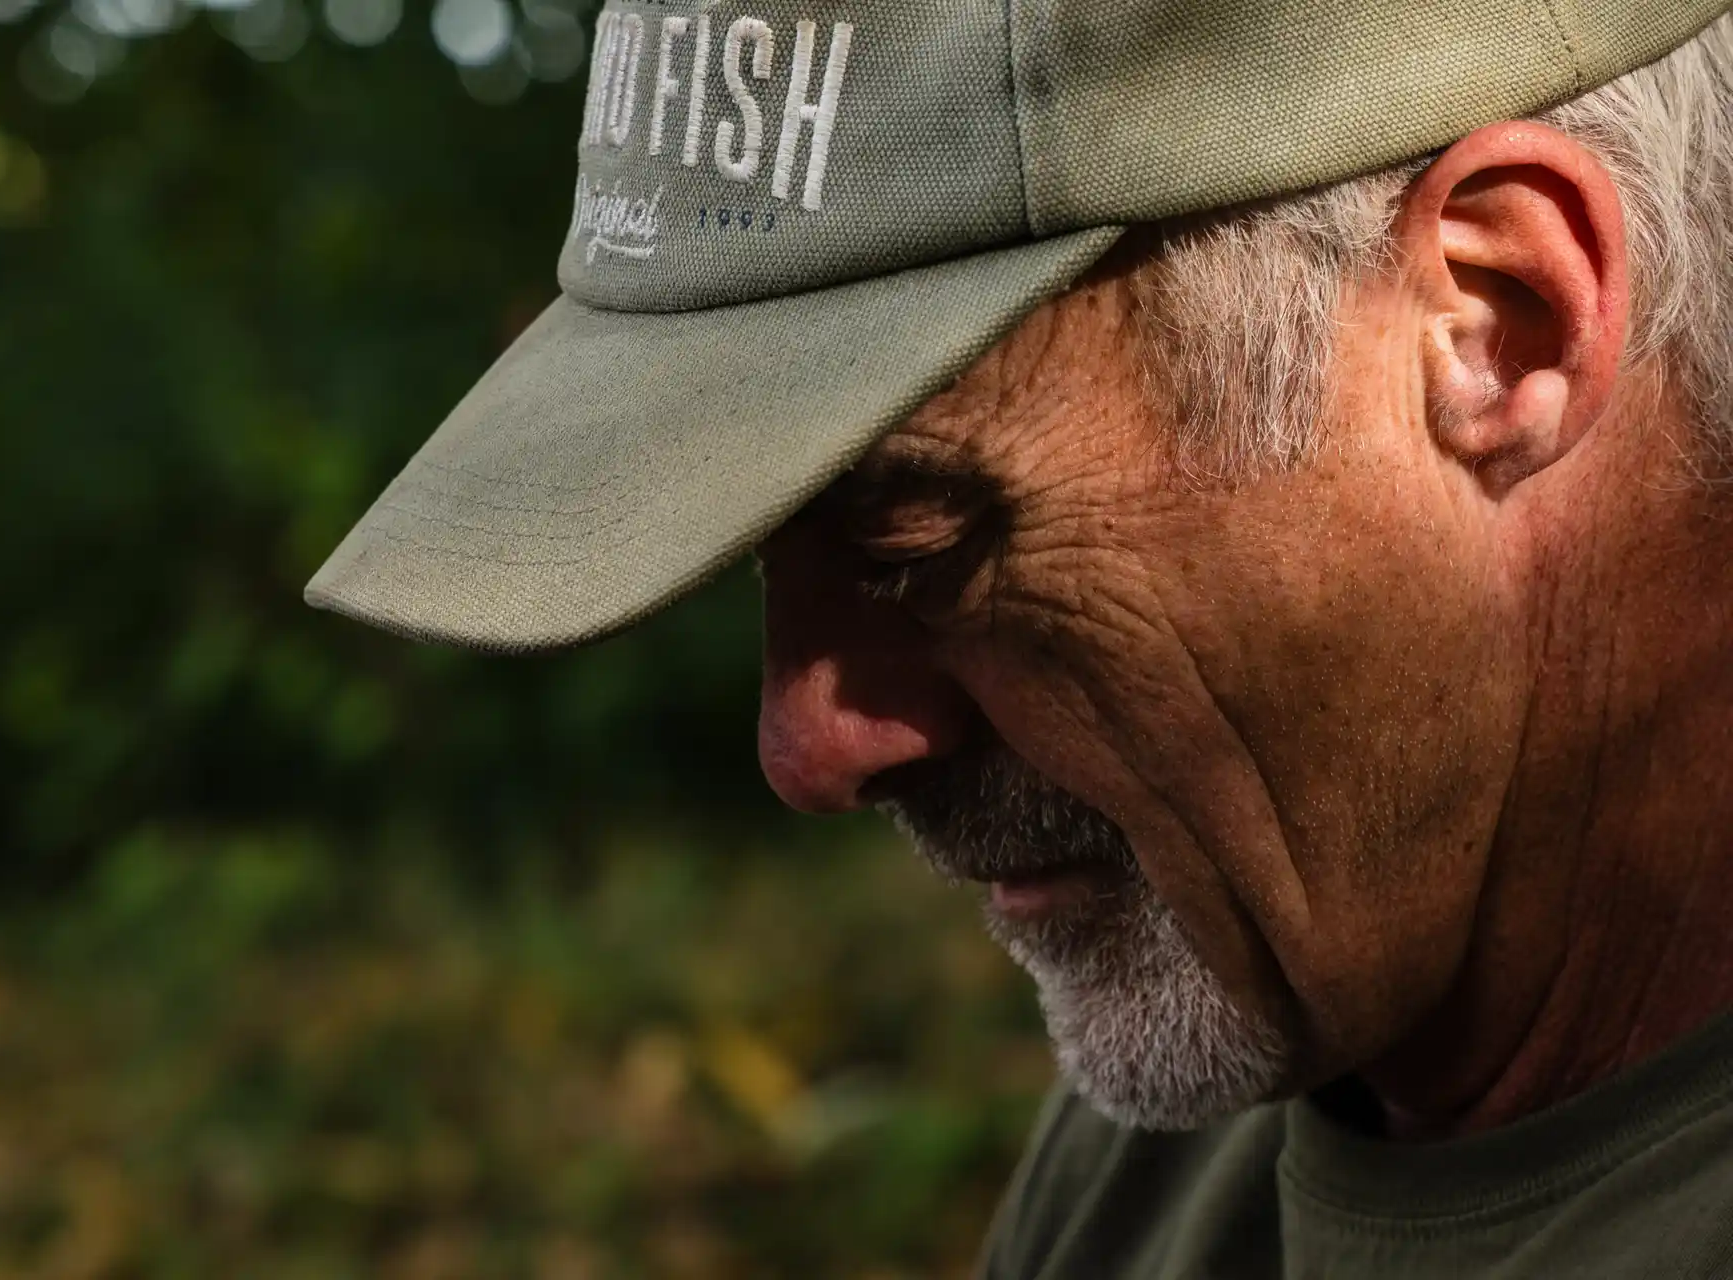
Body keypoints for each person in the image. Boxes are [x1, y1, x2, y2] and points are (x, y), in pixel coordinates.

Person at [309, 1, 1733, 1273]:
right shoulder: (1208, 1096)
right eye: (757, 544)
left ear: (1503, 322)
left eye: (910, 547)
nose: (811, 747)